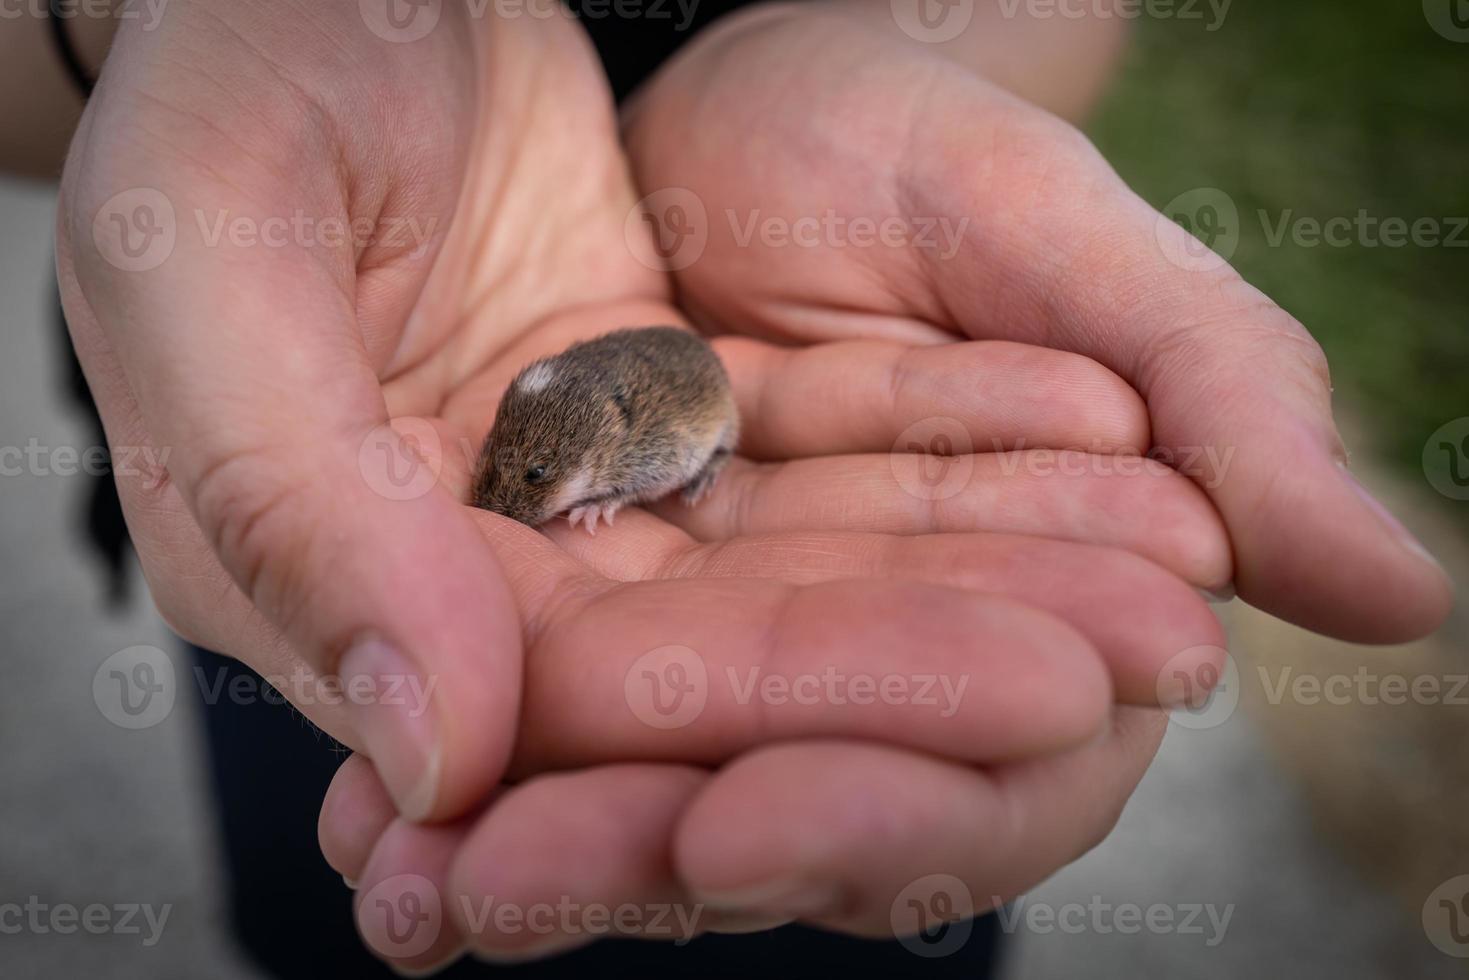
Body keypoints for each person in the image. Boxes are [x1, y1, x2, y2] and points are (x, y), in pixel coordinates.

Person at [7, 0, 1450, 976]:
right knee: (363, 843)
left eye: (540, 481)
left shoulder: (639, 424)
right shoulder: (536, 410)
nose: (528, 493)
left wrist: (883, 43)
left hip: (712, 394)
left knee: (843, 862)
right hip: (320, 370)